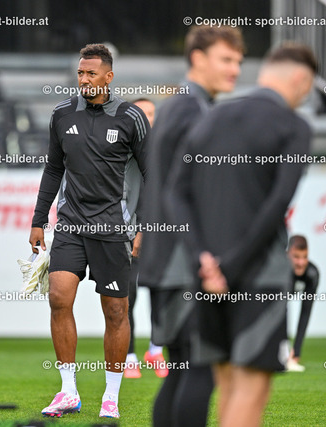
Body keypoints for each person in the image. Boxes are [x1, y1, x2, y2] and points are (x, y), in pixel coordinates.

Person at [168, 42, 317, 427]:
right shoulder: (295, 126)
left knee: (226, 384)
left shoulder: (212, 116)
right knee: (251, 391)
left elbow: (176, 194)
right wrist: (230, 267)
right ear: (300, 79)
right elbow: (277, 205)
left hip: (205, 278)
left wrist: (203, 259)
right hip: (258, 277)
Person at [30, 43, 149, 419]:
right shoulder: (62, 114)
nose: (83, 79)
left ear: (108, 77)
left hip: (113, 229)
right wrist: (38, 220)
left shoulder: (131, 117)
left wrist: (144, 227)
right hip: (70, 225)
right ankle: (68, 391)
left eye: (91, 73)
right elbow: (53, 168)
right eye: (80, 73)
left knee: (115, 312)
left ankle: (111, 396)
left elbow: (154, 176)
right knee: (58, 298)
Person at [136, 25, 244, 426]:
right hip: (183, 264)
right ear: (198, 58)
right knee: (198, 369)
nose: (235, 69)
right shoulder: (192, 110)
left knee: (182, 369)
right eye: (226, 59)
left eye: (238, 61)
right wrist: (205, 256)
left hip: (169, 262)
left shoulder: (177, 106)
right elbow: (189, 195)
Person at [124, 97, 165, 379]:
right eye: (142, 113)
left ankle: (156, 349)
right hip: (130, 231)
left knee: (162, 291)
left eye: (151, 113)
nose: (148, 119)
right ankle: (128, 356)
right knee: (128, 294)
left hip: (161, 232)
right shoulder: (121, 150)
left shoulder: (166, 150)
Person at [286, 235, 320, 372]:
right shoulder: (279, 270)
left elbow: (305, 312)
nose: (301, 262)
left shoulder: (312, 273)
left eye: (304, 257)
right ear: (287, 254)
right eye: (296, 257)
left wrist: (296, 351)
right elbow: (277, 311)